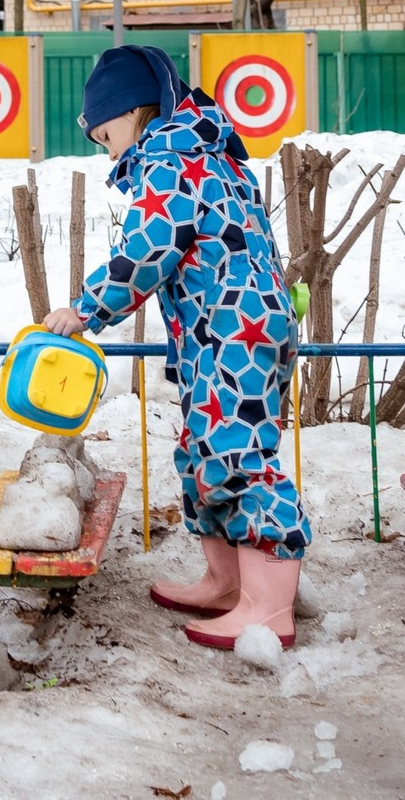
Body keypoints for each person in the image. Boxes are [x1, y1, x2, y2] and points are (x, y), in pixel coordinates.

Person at [42, 45, 307, 650]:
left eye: (105, 135)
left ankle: (268, 609)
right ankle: (227, 583)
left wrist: (85, 310)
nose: (107, 152)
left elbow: (147, 252)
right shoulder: (209, 157)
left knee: (236, 457)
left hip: (235, 331)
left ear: (133, 113)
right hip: (226, 330)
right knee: (204, 453)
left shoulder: (172, 163)